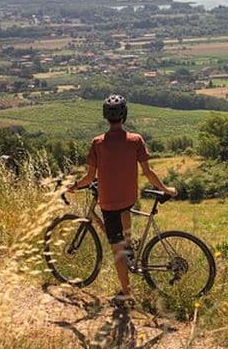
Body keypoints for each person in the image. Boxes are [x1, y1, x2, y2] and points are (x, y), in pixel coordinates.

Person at [68, 94, 177, 303]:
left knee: (116, 250)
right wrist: (166, 189)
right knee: (125, 214)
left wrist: (75, 185)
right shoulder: (135, 140)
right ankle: (129, 248)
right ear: (124, 115)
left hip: (108, 202)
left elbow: (90, 177)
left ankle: (126, 294)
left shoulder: (98, 143)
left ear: (105, 116)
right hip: (129, 197)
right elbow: (148, 172)